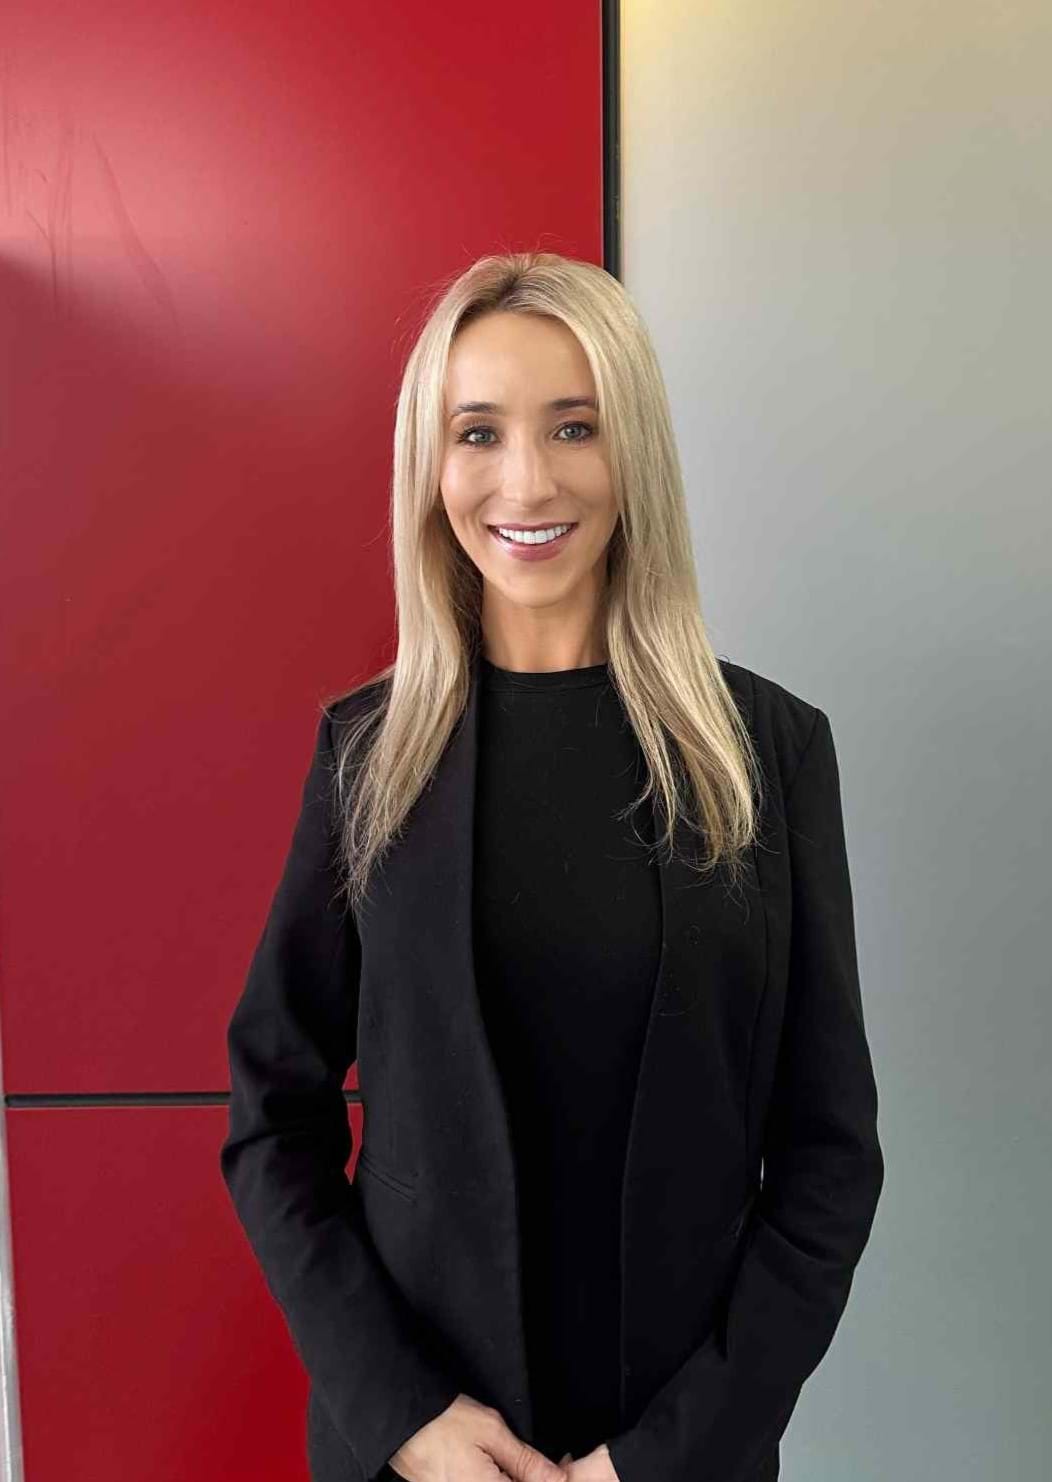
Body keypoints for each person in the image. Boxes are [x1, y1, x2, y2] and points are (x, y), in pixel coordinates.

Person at [220, 251, 885, 1482]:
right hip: (419, 1458)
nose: (525, 480)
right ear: (433, 467)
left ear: (632, 452)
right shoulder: (367, 756)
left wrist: (665, 1457)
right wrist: (405, 1416)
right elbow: (273, 1118)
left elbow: (826, 1159)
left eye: (573, 426)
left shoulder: (766, 753)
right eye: (478, 432)